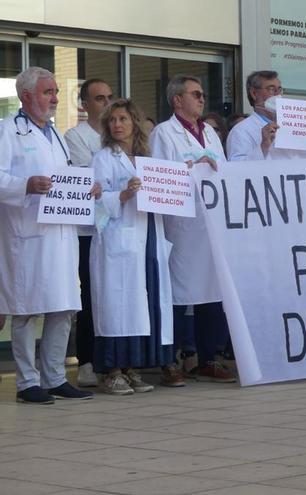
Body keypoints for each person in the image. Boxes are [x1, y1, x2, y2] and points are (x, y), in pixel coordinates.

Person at [0, 67, 98, 403]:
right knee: (26, 310)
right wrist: (23, 185)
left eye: (56, 92)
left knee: (62, 307)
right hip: (26, 236)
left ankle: (55, 376)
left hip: (60, 235)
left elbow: (65, 175)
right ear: (27, 96)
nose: (55, 98)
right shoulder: (7, 131)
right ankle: (27, 382)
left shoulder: (55, 134)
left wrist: (86, 186)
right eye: (48, 92)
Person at [90, 99, 181, 394]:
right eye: (113, 120)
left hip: (147, 238)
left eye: (123, 120)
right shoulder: (103, 157)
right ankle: (112, 371)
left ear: (134, 124)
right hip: (117, 240)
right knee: (117, 306)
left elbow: (168, 193)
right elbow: (95, 202)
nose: (117, 125)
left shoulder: (147, 158)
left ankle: (132, 368)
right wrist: (124, 195)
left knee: (142, 304)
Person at [149, 74, 236, 383]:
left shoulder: (211, 134)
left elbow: (223, 172)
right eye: (195, 94)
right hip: (181, 226)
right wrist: (191, 167)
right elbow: (160, 177)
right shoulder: (164, 133)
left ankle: (208, 358)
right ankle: (169, 361)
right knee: (177, 294)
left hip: (210, 223)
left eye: (201, 94)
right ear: (177, 100)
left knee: (213, 290)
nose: (202, 99)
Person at [63, 78, 114, 388]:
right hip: (88, 230)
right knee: (90, 294)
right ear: (84, 104)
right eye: (99, 98)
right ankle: (86, 360)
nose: (106, 103)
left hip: (119, 228)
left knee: (114, 293)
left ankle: (113, 359)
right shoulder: (75, 136)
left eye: (110, 97)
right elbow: (89, 177)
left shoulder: (122, 134)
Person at [226, 70, 306, 161]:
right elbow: (238, 169)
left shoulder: (295, 124)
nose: (277, 94)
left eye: (279, 89)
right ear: (254, 94)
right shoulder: (241, 131)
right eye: (271, 89)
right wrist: (264, 145)